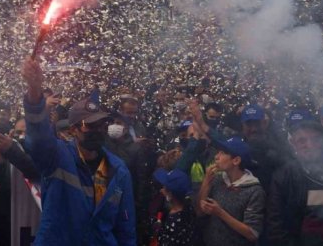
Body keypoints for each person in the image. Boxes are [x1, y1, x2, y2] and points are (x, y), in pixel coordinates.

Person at [21, 58, 136, 245]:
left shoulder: (118, 170)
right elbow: (37, 138)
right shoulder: (57, 157)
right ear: (73, 130)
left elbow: (126, 227)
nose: (97, 130)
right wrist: (34, 91)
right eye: (89, 125)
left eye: (101, 124)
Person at [266, 119, 323, 245]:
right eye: (302, 141)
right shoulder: (283, 177)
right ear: (293, 144)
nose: (309, 145)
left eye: (316, 139)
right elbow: (276, 224)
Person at [196, 136, 265, 246]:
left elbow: (252, 233)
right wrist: (206, 181)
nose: (216, 157)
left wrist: (220, 213)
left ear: (236, 160)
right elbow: (199, 212)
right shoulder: (217, 179)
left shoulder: (254, 191)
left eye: (222, 153)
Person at [151, 168, 196, 246]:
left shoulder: (174, 221)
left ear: (170, 194)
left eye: (165, 188)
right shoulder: (189, 207)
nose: (162, 190)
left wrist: (158, 230)